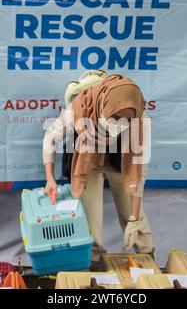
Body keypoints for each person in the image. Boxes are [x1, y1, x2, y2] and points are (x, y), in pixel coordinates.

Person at [42, 70, 155, 262]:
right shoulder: (79, 109)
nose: (120, 124)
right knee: (90, 221)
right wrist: (50, 179)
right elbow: (50, 138)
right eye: (115, 117)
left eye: (126, 120)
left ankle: (148, 257)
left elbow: (138, 174)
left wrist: (134, 219)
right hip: (88, 162)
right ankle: (95, 264)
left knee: (133, 215)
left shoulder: (140, 122)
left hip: (120, 161)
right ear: (104, 106)